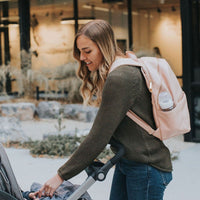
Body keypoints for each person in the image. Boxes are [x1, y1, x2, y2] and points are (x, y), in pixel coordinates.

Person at [38, 19, 172, 200]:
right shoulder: (120, 69)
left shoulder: (120, 77)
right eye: (80, 52)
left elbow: (99, 136)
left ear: (104, 46)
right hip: (129, 162)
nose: (83, 57)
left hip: (145, 168)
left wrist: (60, 176)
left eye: (88, 51)